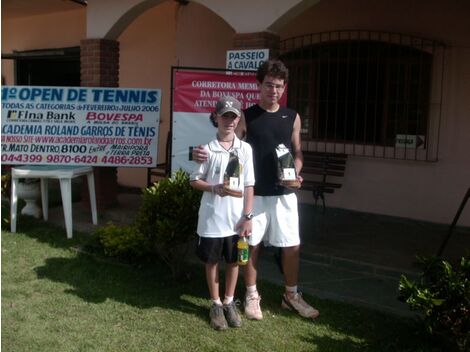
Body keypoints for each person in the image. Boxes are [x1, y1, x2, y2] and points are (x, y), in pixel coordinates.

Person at [192, 59, 319, 320]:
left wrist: (296, 172)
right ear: (259, 85)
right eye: (269, 85)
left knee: (292, 246)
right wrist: (198, 153)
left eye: (279, 87)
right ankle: (251, 294)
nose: (274, 91)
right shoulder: (246, 116)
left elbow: (297, 151)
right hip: (255, 195)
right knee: (250, 246)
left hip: (284, 195)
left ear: (284, 89)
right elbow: (227, 142)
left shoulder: (292, 116)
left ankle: (291, 295)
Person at [190, 96, 255, 330]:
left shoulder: (245, 149)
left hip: (237, 221)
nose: (229, 121)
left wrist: (248, 217)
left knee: (235, 261)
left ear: (238, 120)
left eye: (233, 116)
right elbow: (194, 180)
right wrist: (213, 187)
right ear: (216, 117)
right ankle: (215, 304)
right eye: (225, 115)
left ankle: (229, 302)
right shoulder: (206, 149)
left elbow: (249, 185)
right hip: (212, 219)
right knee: (212, 261)